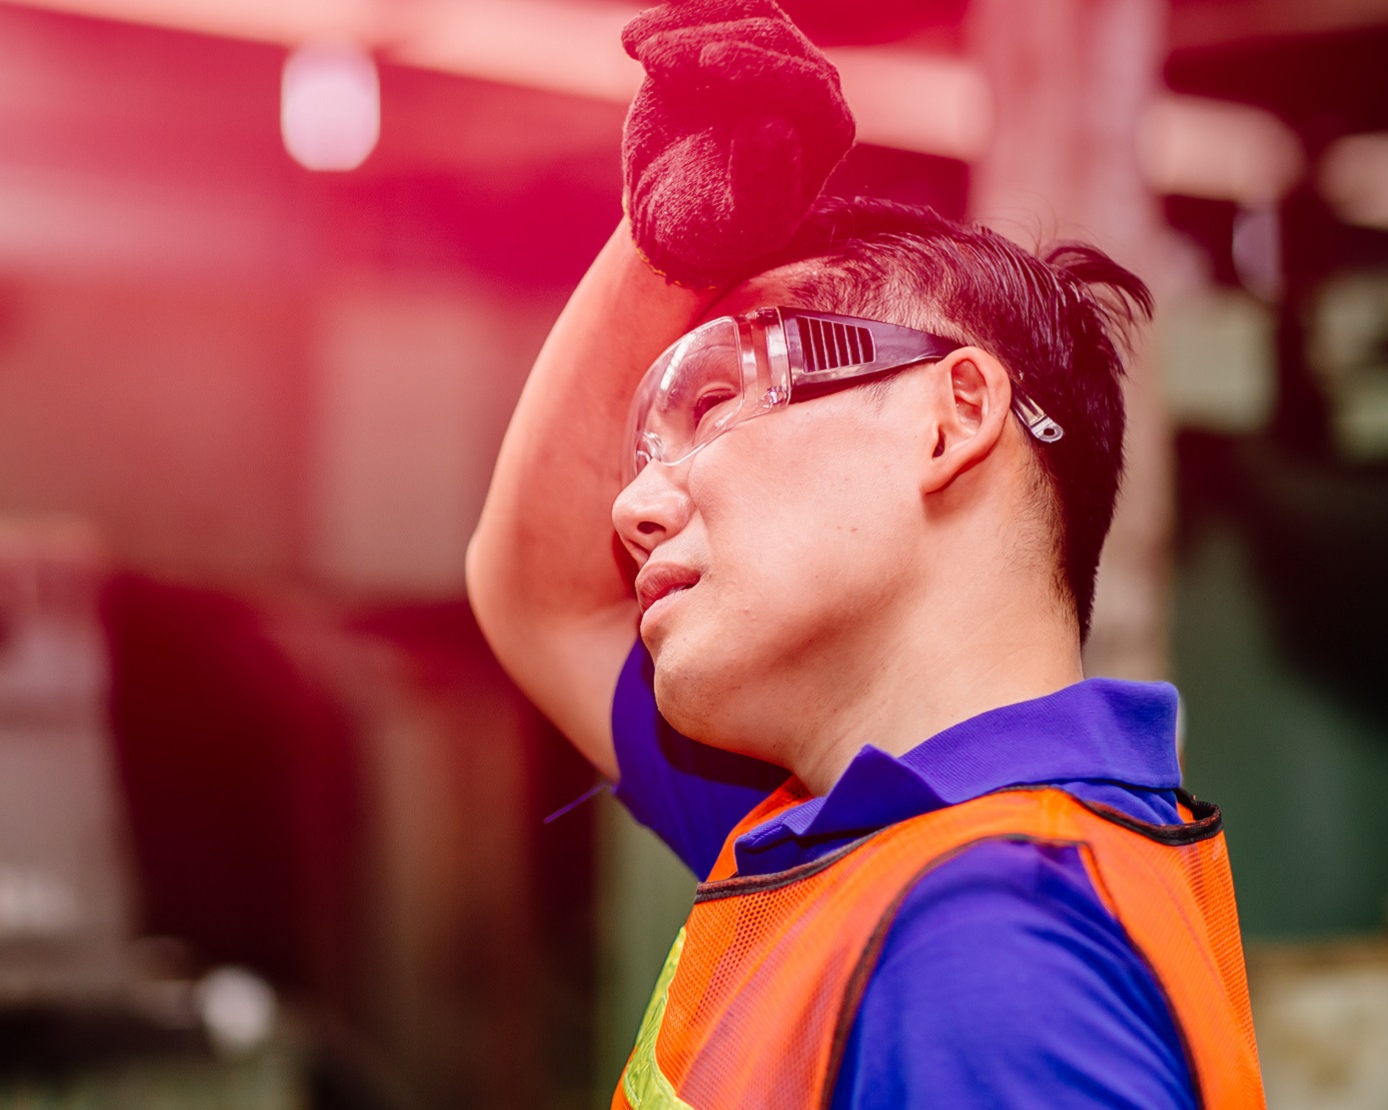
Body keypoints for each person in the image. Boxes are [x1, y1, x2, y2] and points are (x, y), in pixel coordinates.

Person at [464, 5, 1264, 1107]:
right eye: (644, 451)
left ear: (952, 419)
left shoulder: (988, 955)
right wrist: (661, 248)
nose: (635, 507)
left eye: (713, 406)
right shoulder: (840, 836)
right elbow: (540, 594)